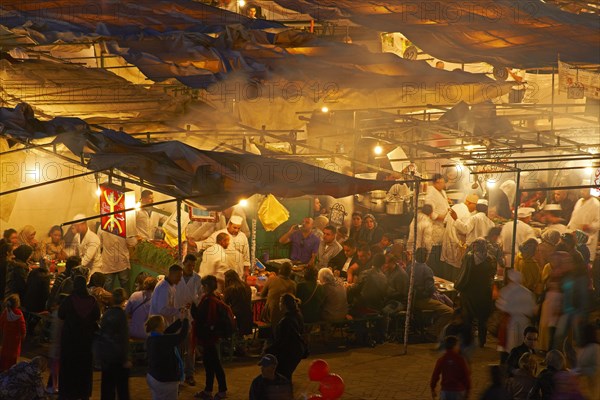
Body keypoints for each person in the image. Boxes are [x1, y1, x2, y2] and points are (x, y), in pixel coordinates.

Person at [58, 275, 101, 400]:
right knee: (84, 368)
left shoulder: (69, 300)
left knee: (69, 366)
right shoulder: (92, 301)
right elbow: (97, 316)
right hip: (86, 340)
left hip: (70, 340)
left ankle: (68, 392)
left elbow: (61, 315)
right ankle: (83, 393)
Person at [192, 275, 229, 400]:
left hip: (209, 338)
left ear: (206, 286)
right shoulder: (215, 298)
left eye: (203, 286)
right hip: (212, 337)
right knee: (209, 364)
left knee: (214, 364)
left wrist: (192, 307)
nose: (202, 288)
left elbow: (200, 317)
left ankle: (222, 390)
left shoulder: (208, 301)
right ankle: (208, 390)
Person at [455, 238, 495, 347]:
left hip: (469, 292)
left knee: (468, 317)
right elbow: (492, 274)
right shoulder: (490, 259)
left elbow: (463, 272)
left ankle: (467, 339)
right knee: (483, 318)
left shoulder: (468, 257)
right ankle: (482, 341)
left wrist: (459, 286)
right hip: (484, 293)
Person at [407, 248, 453, 338]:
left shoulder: (409, 268)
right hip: (422, 300)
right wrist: (436, 287)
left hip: (411, 299)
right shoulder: (427, 270)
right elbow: (430, 288)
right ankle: (433, 331)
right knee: (450, 311)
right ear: (426, 257)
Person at [145, 313, 189, 400]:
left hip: (153, 376)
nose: (165, 324)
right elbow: (182, 335)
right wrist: (186, 320)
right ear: (158, 327)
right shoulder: (163, 340)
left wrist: (180, 320)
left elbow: (167, 332)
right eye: (163, 323)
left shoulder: (151, 338)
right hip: (165, 380)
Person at [496, 270, 537, 362]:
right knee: (521, 344)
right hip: (524, 322)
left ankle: (508, 364)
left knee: (509, 346)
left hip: (510, 321)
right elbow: (533, 310)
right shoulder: (528, 293)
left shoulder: (506, 291)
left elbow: (500, 306)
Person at [175, 254, 203, 386]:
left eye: (193, 265)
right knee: (178, 347)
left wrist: (194, 303)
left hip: (190, 317)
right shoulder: (176, 277)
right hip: (176, 317)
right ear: (183, 263)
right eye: (189, 265)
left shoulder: (197, 278)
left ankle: (189, 374)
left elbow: (200, 296)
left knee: (190, 348)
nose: (191, 268)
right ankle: (178, 374)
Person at [97, 288, 130, 400]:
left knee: (107, 387)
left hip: (107, 356)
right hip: (118, 357)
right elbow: (123, 337)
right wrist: (126, 358)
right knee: (122, 388)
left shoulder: (106, 314)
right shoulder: (121, 315)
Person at [266, 293, 305, 382]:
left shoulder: (286, 321)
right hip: (297, 350)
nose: (279, 304)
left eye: (280, 302)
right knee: (286, 375)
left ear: (284, 305)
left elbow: (281, 341)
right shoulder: (297, 315)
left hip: (290, 352)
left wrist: (269, 350)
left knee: (282, 375)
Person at [443, 193, 479, 281]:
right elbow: (464, 230)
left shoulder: (455, 207)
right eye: (475, 206)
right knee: (456, 274)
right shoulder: (466, 214)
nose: (475, 208)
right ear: (469, 203)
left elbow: (445, 222)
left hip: (447, 244)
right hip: (458, 245)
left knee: (447, 273)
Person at [425, 173, 450, 278]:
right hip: (435, 231)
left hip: (443, 230)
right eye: (443, 182)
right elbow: (430, 213)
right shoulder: (430, 194)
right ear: (437, 181)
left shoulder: (442, 192)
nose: (444, 184)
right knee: (434, 259)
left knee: (441, 257)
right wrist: (443, 217)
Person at [430, 336, 471, 400]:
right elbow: (466, 375)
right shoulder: (460, 360)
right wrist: (467, 390)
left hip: (445, 390)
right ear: (454, 346)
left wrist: (433, 387)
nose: (459, 347)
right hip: (458, 390)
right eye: (457, 345)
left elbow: (435, 374)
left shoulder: (442, 359)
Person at [568, 188, 599, 263]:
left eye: (585, 190)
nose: (582, 192)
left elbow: (599, 222)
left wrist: (590, 226)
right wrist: (569, 225)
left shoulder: (596, 204)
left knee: (585, 259)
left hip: (588, 236)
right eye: (581, 190)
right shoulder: (579, 201)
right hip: (575, 234)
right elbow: (574, 215)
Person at [572, 324, 600, 399]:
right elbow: (578, 366)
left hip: (591, 387)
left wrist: (581, 371)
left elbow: (596, 369)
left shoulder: (595, 348)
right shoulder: (583, 348)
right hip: (582, 388)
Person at [0, 294, 26, 372]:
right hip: (16, 338)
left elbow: (1, 323)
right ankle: (10, 369)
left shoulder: (5, 312)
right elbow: (22, 326)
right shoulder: (19, 314)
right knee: (13, 354)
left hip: (6, 336)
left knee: (5, 351)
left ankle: (2, 367)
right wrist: (23, 334)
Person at [223, 269, 253, 336]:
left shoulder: (230, 289)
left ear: (228, 280)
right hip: (248, 315)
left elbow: (225, 304)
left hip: (236, 318)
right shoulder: (246, 286)